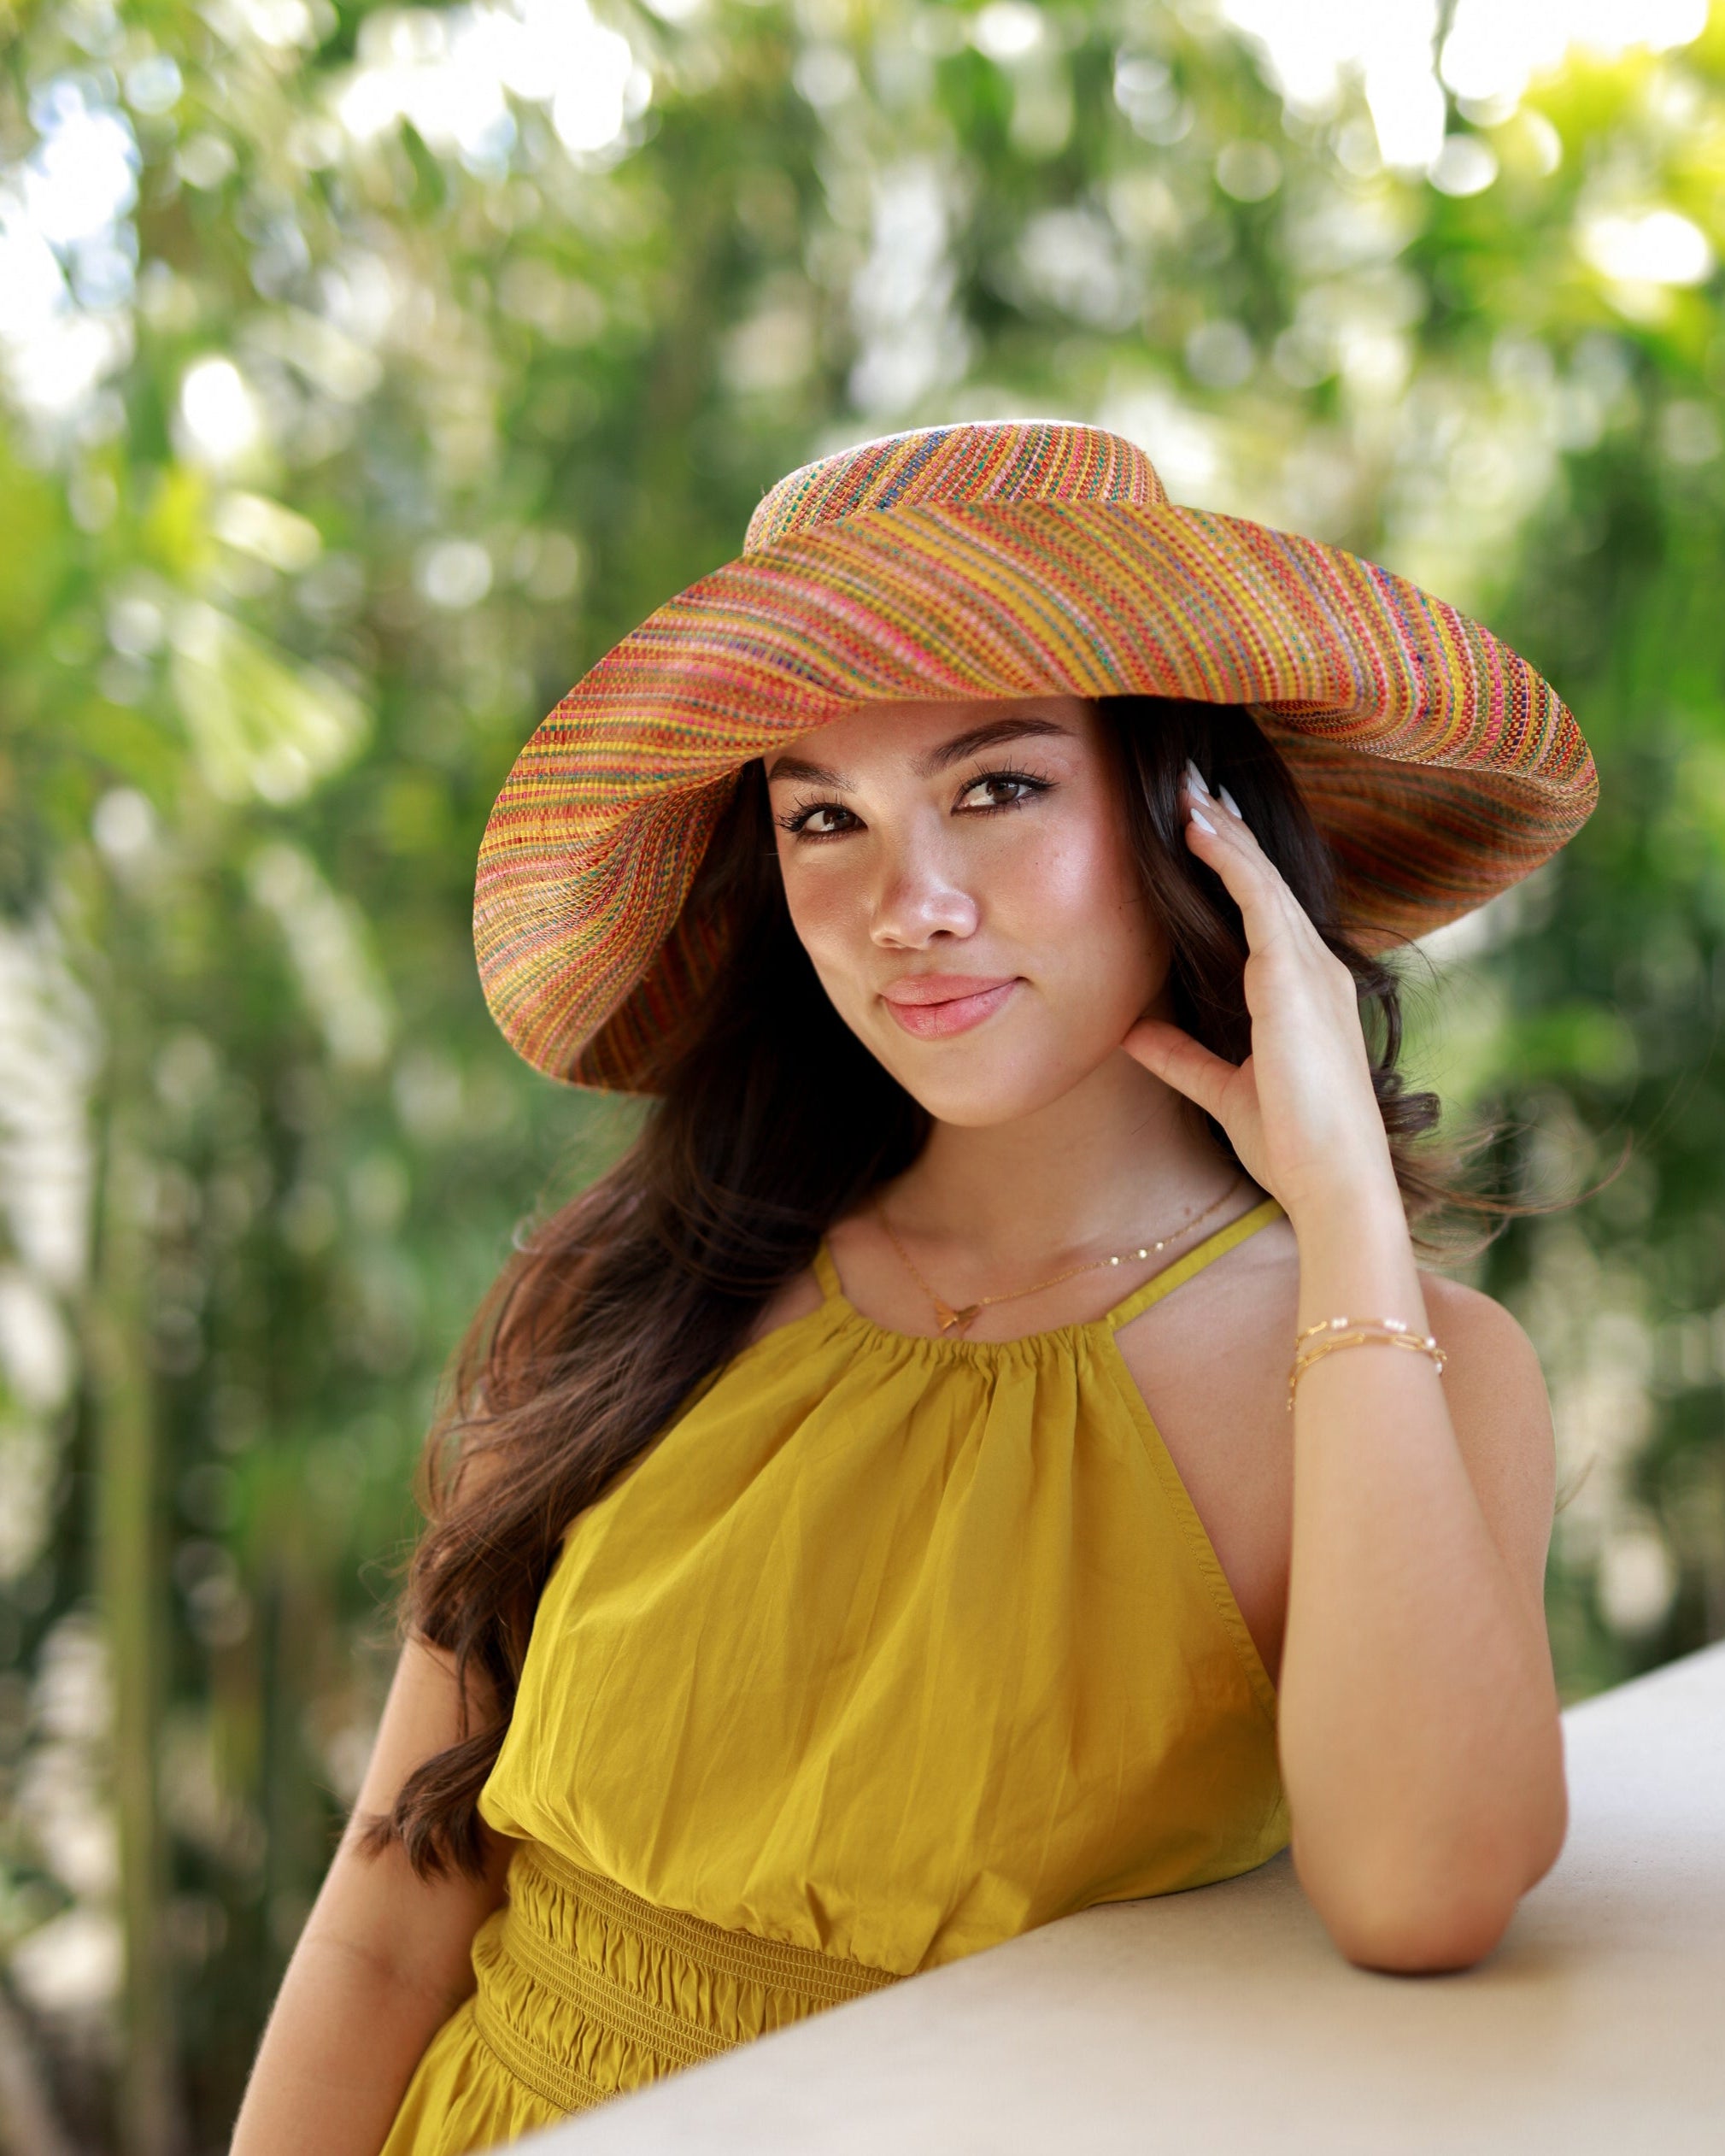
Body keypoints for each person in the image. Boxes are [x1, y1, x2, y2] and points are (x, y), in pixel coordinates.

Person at [231, 420, 1598, 2156]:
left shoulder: (1392, 1359)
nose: (907, 905)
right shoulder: (631, 1287)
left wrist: (1335, 1203)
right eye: (823, 818)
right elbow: (382, 1919)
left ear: (1194, 823)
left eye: (996, 787)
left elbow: (1422, 1888)